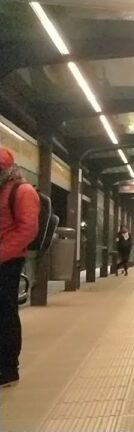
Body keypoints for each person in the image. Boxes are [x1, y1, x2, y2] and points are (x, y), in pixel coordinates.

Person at [0, 147, 40, 388]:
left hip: (9, 262)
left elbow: (27, 229)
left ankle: (7, 369)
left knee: (5, 314)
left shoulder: (22, 191)